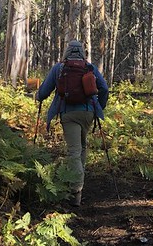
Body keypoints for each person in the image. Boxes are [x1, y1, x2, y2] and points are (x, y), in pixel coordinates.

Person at [35, 40, 109, 207]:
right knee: (81, 147)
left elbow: (45, 90)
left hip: (68, 114)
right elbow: (104, 88)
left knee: (74, 151)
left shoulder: (59, 68)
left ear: (66, 52)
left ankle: (75, 191)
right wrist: (99, 107)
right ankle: (78, 184)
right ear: (82, 52)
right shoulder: (90, 68)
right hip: (88, 113)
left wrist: (38, 97)